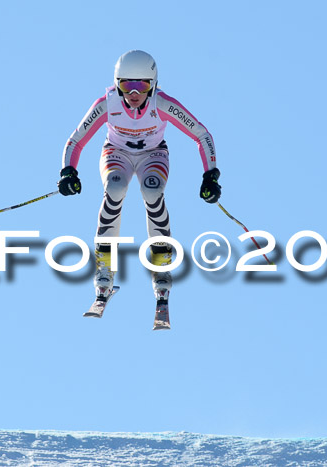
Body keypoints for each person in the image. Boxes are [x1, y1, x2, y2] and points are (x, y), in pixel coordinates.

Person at [57, 50, 221, 328]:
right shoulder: (107, 104)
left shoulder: (163, 104)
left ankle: (162, 271)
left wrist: (210, 176)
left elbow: (201, 134)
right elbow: (76, 140)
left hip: (153, 155)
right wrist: (68, 171)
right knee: (115, 189)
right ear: (117, 83)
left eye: (142, 85)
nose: (134, 93)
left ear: (153, 84)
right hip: (116, 153)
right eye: (127, 85)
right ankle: (105, 272)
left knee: (152, 193)